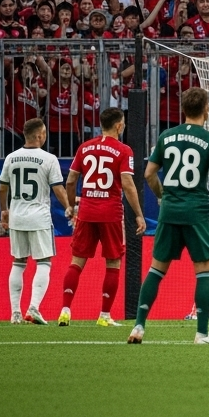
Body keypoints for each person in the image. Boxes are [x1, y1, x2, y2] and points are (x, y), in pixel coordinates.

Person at [130, 87, 209, 344]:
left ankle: (138, 327)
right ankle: (201, 333)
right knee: (203, 271)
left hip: (169, 212)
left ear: (183, 110)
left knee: (157, 269)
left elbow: (148, 174)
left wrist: (162, 195)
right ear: (206, 109)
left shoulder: (166, 136)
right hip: (197, 213)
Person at [58, 108, 145, 327]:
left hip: (86, 211)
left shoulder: (84, 147)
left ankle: (65, 310)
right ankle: (104, 316)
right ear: (118, 125)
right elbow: (127, 184)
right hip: (110, 213)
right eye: (123, 122)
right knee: (113, 263)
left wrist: (71, 206)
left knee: (77, 262)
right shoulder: (124, 150)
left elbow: (70, 181)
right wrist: (139, 214)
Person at [0, 118, 70, 325]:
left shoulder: (11, 158)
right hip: (39, 218)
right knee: (44, 262)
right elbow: (58, 188)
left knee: (18, 262)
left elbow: (3, 188)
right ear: (38, 136)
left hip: (17, 217)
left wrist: (4, 210)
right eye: (44, 133)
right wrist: (68, 208)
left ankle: (15, 313)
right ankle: (34, 307)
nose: (45, 136)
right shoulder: (48, 159)